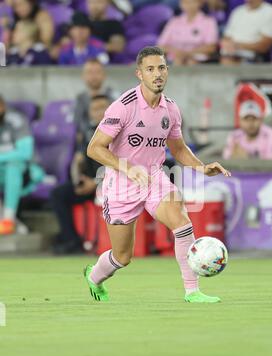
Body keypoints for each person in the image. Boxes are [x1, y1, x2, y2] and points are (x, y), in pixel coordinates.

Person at [83, 46, 231, 304]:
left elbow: (178, 148)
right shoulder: (123, 107)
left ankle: (192, 291)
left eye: (161, 68)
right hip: (121, 185)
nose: (157, 74)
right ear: (139, 74)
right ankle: (94, 276)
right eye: (150, 69)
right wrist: (128, 168)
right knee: (122, 257)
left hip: (154, 178)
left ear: (167, 71)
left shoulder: (171, 109)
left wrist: (201, 166)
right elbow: (94, 148)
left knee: (182, 222)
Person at [51, 95, 110, 255]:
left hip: (112, 186)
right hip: (90, 184)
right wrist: (79, 180)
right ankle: (72, 240)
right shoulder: (88, 134)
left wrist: (96, 182)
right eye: (95, 109)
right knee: (59, 193)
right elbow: (78, 161)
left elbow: (119, 165)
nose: (99, 113)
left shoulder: (118, 135)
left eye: (102, 108)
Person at [0, 96, 44, 235]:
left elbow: (25, 153)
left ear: (2, 106)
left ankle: (8, 219)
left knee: (13, 165)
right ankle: (13, 223)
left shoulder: (16, 121)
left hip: (26, 173)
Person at [157, 0, 218, 65]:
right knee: (178, 61)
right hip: (175, 57)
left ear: (200, 3)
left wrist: (188, 53)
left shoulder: (209, 22)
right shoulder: (174, 21)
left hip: (199, 58)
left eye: (192, 2)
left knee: (191, 61)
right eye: (185, 2)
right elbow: (160, 46)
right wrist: (176, 51)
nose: (188, 5)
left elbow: (211, 47)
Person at [74, 58, 118, 149]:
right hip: (86, 145)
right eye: (89, 72)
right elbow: (77, 125)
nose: (94, 76)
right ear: (83, 76)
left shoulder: (115, 98)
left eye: (97, 72)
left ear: (104, 75)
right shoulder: (80, 99)